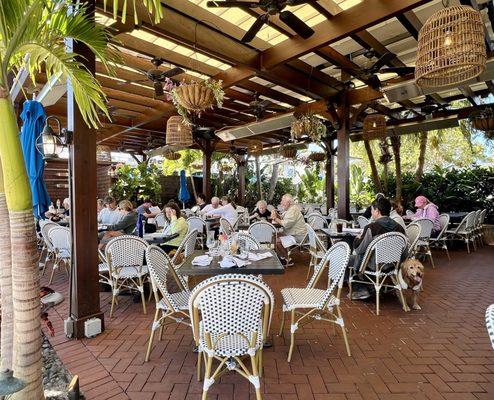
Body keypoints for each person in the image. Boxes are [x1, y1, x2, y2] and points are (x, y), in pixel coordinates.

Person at [350, 196, 406, 300]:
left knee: (349, 260)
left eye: (371, 209)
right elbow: (404, 251)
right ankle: (370, 287)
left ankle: (362, 288)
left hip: (373, 265)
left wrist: (358, 238)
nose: (371, 212)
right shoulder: (399, 228)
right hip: (393, 265)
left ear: (377, 210)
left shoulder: (372, 227)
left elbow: (359, 250)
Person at [271, 194, 306, 265]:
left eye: (282, 201)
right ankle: (281, 257)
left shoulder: (293, 210)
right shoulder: (290, 209)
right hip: (292, 233)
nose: (281, 203)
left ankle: (287, 259)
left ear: (288, 202)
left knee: (277, 241)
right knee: (274, 235)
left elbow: (285, 224)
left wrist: (275, 218)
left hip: (298, 236)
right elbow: (282, 218)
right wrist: (276, 214)